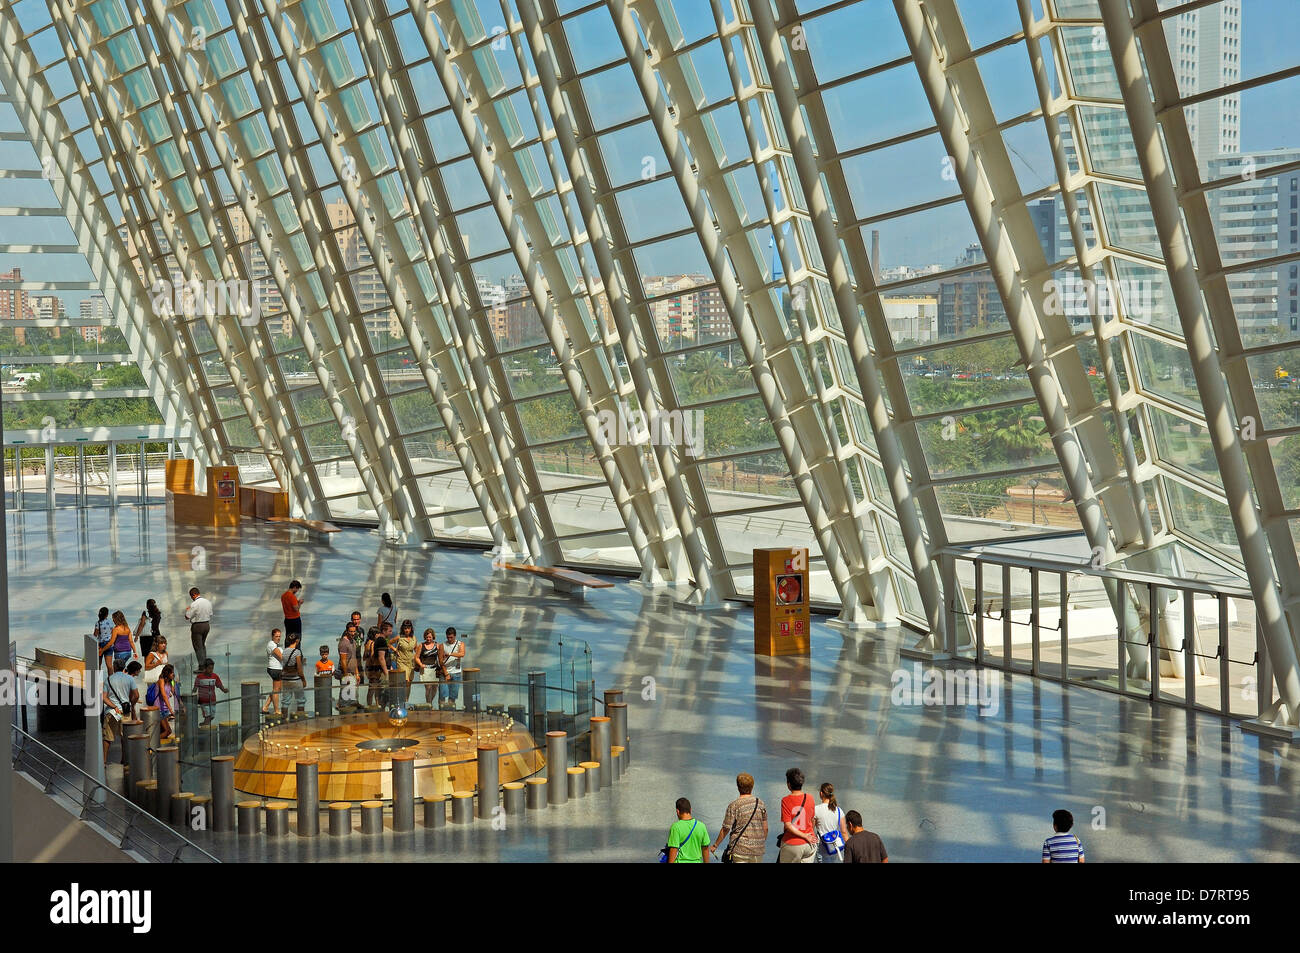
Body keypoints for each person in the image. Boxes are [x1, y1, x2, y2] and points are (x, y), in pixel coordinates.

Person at [711, 772, 768, 863]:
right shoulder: (760, 803)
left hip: (740, 849)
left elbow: (726, 828)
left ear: (738, 787)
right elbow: (765, 828)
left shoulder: (734, 805)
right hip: (758, 851)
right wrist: (759, 843)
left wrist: (715, 845)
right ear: (752, 787)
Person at [102, 657, 139, 764]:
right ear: (123, 667)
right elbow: (136, 695)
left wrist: (114, 706)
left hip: (111, 712)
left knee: (107, 737)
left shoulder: (108, 680)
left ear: (114, 667)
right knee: (125, 737)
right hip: (125, 712)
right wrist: (132, 704)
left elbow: (104, 698)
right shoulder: (129, 679)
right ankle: (125, 759)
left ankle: (104, 761)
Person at [777, 767, 817, 863]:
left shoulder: (786, 800)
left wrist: (804, 835)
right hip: (810, 844)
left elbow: (787, 824)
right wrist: (809, 835)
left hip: (792, 844)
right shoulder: (810, 798)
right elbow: (812, 820)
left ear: (789, 784)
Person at [665, 797, 711, 863]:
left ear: (677, 811)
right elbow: (705, 848)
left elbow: (673, 849)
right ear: (690, 810)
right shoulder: (701, 826)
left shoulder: (676, 827)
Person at [814, 782, 849, 863]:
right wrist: (851, 848)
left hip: (821, 847)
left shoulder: (816, 809)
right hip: (835, 846)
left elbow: (811, 829)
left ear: (821, 793)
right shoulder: (839, 810)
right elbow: (844, 832)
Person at [146, 664, 182, 739]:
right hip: (158, 709)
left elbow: (175, 693)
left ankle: (156, 747)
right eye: (172, 673)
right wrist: (171, 710)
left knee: (162, 731)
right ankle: (150, 743)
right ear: (167, 673)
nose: (173, 674)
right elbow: (164, 696)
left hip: (165, 710)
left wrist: (182, 705)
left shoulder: (170, 682)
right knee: (168, 731)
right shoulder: (161, 681)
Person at [193, 658, 228, 726]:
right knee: (208, 716)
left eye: (212, 668)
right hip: (203, 701)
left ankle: (205, 724)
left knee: (212, 716)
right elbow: (195, 688)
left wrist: (224, 690)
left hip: (212, 700)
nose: (211, 670)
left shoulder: (215, 676)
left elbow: (219, 685)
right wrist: (192, 697)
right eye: (209, 668)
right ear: (205, 668)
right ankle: (206, 731)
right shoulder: (199, 677)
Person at [279, 633, 306, 717]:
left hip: (285, 679)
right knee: (300, 700)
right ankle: (300, 720)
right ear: (297, 641)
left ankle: (284, 720)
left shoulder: (284, 651)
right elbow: (299, 668)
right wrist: (303, 680)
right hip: (296, 679)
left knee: (285, 701)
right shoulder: (297, 652)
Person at [437, 626, 464, 710]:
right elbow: (441, 661)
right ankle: (442, 712)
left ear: (455, 636)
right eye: (448, 637)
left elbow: (462, 654)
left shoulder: (460, 644)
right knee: (442, 695)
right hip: (445, 674)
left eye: (451, 637)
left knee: (453, 696)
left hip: (456, 673)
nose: (449, 639)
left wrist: (450, 654)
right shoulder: (442, 646)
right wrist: (446, 673)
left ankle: (451, 713)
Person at [184, 587, 213, 660]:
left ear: (193, 595)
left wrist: (188, 610)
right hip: (206, 625)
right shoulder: (208, 602)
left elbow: (187, 616)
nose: (192, 598)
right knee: (202, 645)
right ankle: (205, 663)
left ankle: (202, 666)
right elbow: (210, 614)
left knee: (198, 646)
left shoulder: (194, 604)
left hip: (197, 626)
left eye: (191, 597)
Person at [364, 625, 388, 709]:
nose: (379, 635)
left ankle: (369, 705)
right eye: (378, 633)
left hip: (368, 668)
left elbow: (364, 657)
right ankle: (375, 706)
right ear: (375, 634)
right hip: (374, 668)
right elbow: (372, 656)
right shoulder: (373, 643)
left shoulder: (367, 643)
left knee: (371, 689)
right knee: (375, 689)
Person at [416, 628, 440, 705]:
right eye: (427, 637)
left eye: (430, 637)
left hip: (435, 669)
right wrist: (420, 664)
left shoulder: (437, 645)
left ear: (433, 637)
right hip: (425, 669)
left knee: (435, 688)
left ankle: (430, 702)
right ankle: (428, 704)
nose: (428, 639)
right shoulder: (421, 645)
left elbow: (441, 656)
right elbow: (416, 657)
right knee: (428, 688)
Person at [392, 620, 418, 691]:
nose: (407, 630)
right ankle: (402, 700)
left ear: (411, 628)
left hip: (411, 663)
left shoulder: (414, 638)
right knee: (405, 681)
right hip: (402, 662)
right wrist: (394, 649)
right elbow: (387, 641)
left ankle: (406, 700)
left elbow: (416, 650)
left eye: (408, 628)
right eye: (405, 628)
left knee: (409, 683)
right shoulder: (399, 637)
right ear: (403, 629)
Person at [263, 628, 284, 715]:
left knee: (278, 689)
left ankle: (266, 707)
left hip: (279, 668)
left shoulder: (277, 645)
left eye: (279, 636)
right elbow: (281, 656)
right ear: (272, 636)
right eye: (276, 636)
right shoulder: (271, 644)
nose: (278, 638)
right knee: (276, 690)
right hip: (274, 669)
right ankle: (276, 710)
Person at [93, 607, 113, 674]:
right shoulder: (110, 622)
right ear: (107, 614)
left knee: (98, 664)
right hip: (109, 644)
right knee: (109, 666)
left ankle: (98, 680)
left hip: (100, 644)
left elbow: (95, 635)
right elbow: (113, 633)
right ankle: (111, 681)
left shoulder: (98, 623)